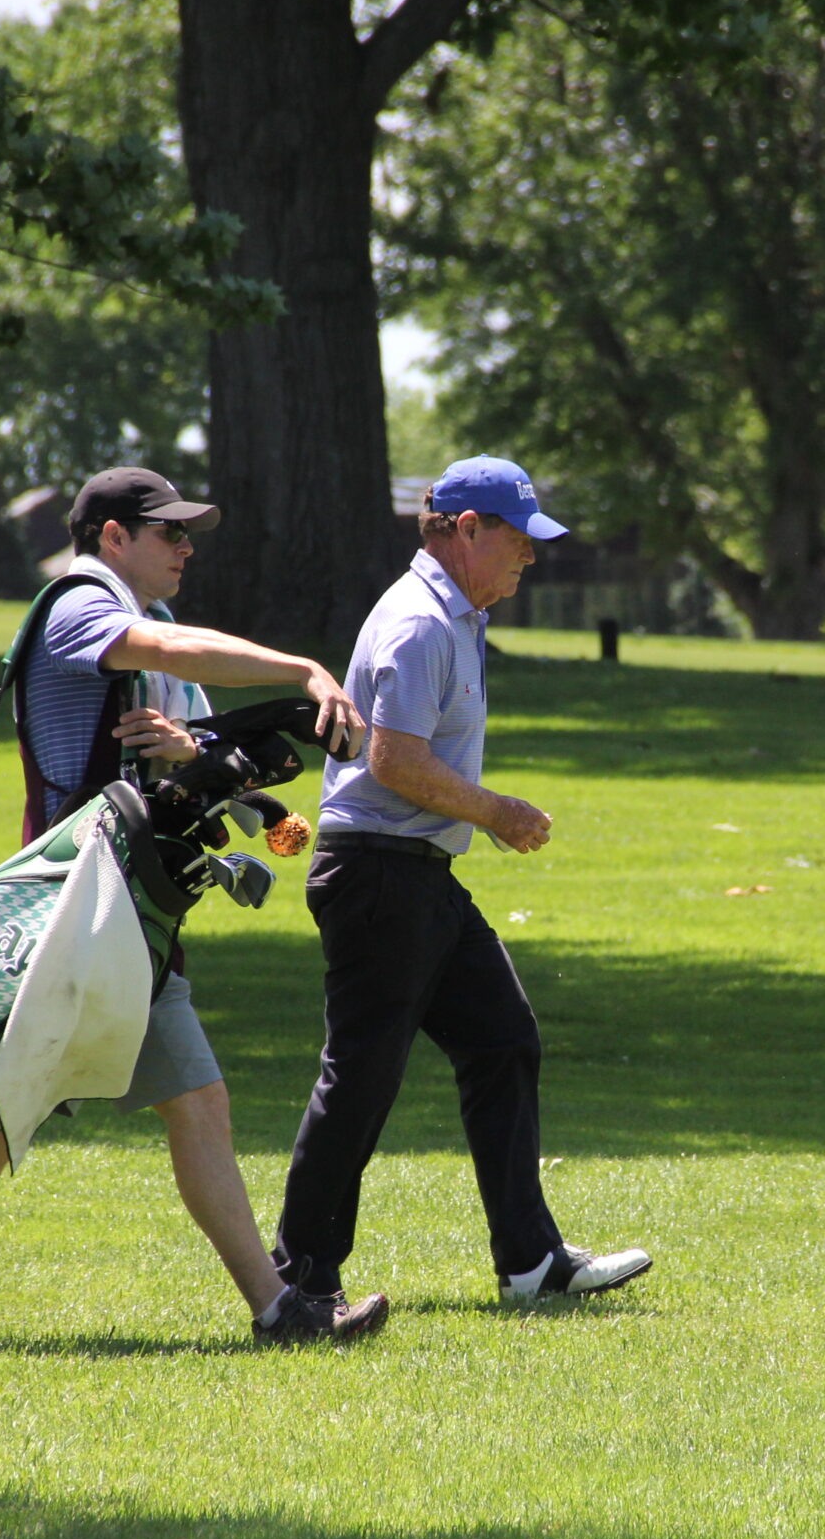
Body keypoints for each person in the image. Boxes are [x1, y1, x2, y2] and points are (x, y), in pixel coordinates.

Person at [0, 466, 389, 1349]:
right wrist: (300, 667)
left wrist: (195, 750)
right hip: (73, 915)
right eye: (167, 532)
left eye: (187, 534)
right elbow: (166, 658)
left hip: (124, 911)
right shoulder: (78, 605)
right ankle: (277, 1311)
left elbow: (184, 747)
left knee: (93, 1100)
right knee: (24, 1102)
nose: (184, 547)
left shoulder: (149, 626)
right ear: (110, 537)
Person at [270, 455, 652, 1305]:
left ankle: (531, 1262)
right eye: (518, 540)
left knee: (502, 1037)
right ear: (468, 530)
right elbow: (394, 759)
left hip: (418, 873)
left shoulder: (460, 616)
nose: (530, 557)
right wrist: (495, 810)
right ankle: (298, 1278)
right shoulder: (420, 623)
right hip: (377, 873)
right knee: (363, 1075)